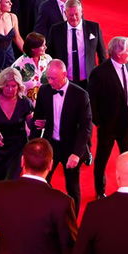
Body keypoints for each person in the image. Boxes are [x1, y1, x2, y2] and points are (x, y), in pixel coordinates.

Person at [32, 60, 92, 206]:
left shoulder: (80, 95)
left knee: (72, 188)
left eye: (53, 78)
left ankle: (72, 224)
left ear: (64, 74)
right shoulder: (44, 91)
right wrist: (32, 145)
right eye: (48, 78)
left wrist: (77, 154)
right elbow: (37, 120)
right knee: (42, 184)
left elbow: (86, 127)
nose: (50, 81)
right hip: (50, 145)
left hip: (71, 147)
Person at [88, 36, 128, 200]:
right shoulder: (99, 73)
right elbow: (92, 100)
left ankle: (127, 189)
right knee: (102, 159)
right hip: (108, 126)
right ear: (118, 53)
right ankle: (100, 191)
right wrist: (99, 122)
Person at [0, 67, 34, 185]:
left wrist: (38, 122)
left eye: (14, 86)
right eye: (7, 86)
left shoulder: (24, 102)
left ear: (19, 86)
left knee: (11, 182)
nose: (10, 89)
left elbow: (31, 124)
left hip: (17, 149)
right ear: (1, 86)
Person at [46, 0, 106, 89]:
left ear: (81, 12)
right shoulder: (56, 30)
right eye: (70, 15)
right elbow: (49, 54)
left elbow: (102, 54)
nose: (74, 18)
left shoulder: (94, 28)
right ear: (65, 14)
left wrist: (102, 76)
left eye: (76, 14)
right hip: (64, 81)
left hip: (88, 80)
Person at [9, 33, 52, 100]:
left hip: (46, 103)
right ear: (33, 49)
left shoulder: (48, 59)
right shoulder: (18, 66)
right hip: (27, 106)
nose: (46, 47)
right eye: (42, 46)